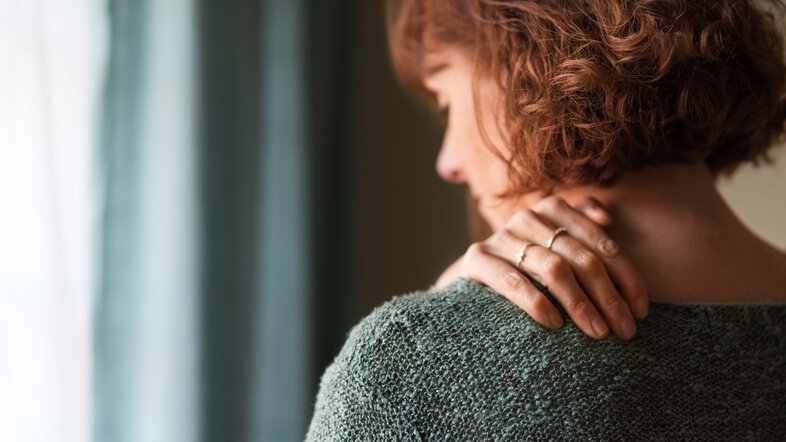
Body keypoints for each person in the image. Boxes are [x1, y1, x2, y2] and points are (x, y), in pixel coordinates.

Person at [307, 0, 786, 439]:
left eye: (447, 102)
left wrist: (427, 333)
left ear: (523, 59)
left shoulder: (406, 368)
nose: (447, 162)